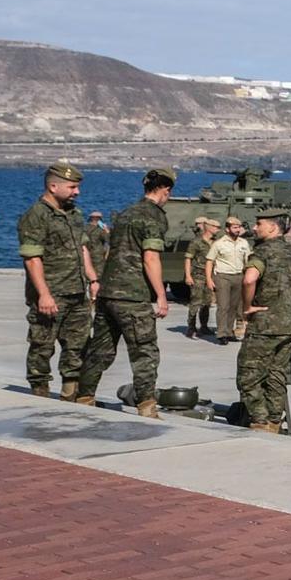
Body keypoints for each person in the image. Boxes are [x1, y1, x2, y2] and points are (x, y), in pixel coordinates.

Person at [76, 168, 176, 416]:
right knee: (144, 352)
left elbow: (112, 252)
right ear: (165, 190)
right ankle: (146, 406)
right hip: (133, 295)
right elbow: (150, 258)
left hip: (109, 292)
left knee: (100, 350)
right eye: (168, 192)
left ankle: (84, 396)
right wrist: (161, 295)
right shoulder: (153, 217)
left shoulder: (125, 214)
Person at [17, 162, 97, 400]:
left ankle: (69, 396)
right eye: (72, 187)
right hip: (51, 294)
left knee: (78, 346)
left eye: (77, 187)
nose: (77, 192)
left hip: (76, 292)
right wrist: (43, 294)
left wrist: (93, 278)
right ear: (53, 186)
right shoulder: (36, 215)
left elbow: (82, 247)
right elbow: (32, 258)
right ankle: (40, 396)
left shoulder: (74, 214)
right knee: (42, 347)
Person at [236, 208, 291, 434]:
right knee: (276, 374)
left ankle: (260, 420)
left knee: (248, 374)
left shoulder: (262, 252)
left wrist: (248, 306)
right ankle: (274, 420)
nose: (254, 228)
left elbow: (249, 279)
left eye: (259, 224)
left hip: (264, 325)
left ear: (273, 227)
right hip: (289, 326)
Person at [208, 216, 251, 341]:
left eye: (239, 227)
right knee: (223, 306)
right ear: (227, 229)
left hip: (238, 276)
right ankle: (221, 334)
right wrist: (209, 279)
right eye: (235, 227)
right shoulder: (219, 244)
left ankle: (229, 331)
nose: (238, 230)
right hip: (222, 276)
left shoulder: (244, 243)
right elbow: (210, 261)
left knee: (234, 306)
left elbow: (248, 260)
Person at [184, 217, 218, 339]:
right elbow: (188, 259)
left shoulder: (216, 242)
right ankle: (191, 328)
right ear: (208, 227)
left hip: (210, 276)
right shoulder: (196, 242)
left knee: (207, 302)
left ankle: (204, 326)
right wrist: (188, 276)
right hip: (197, 275)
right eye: (215, 227)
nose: (218, 229)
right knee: (195, 302)